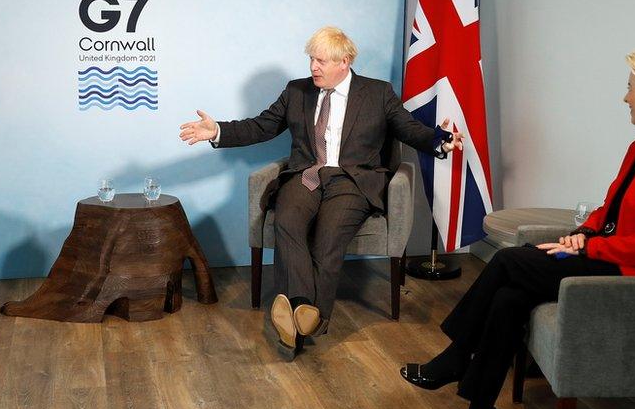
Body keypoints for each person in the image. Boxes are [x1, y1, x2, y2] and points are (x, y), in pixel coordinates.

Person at [401, 45, 635, 409]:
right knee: (509, 298)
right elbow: (608, 208)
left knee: (510, 259)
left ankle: (457, 355)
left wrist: (593, 246)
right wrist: (581, 234)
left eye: (632, 88)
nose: (626, 97)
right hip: (607, 258)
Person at [180, 26, 463, 359]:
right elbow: (262, 125)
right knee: (288, 219)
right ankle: (301, 307)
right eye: (311, 59)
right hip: (306, 174)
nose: (313, 67)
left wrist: (439, 140)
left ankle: (309, 319)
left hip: (352, 180)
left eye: (322, 61)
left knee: (329, 236)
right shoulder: (296, 91)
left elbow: (409, 129)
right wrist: (217, 131)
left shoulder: (378, 93)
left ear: (344, 62)